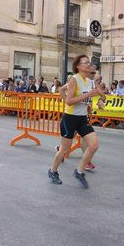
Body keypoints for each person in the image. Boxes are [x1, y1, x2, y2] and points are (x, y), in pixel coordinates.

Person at [48, 55, 105, 189]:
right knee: (64, 150)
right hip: (70, 118)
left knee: (94, 145)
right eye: (85, 62)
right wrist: (87, 96)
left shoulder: (90, 81)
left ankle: (79, 171)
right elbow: (69, 100)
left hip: (82, 118)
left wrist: (101, 100)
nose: (88, 64)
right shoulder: (75, 80)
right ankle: (52, 171)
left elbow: (101, 94)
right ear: (78, 66)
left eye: (88, 62)